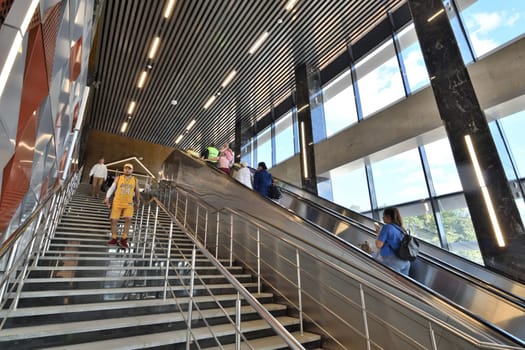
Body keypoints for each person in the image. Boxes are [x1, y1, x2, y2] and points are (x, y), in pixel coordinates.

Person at [104, 163, 140, 249]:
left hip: (128, 203)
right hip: (117, 202)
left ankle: (124, 239)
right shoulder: (118, 178)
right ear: (124, 169)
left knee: (128, 219)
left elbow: (137, 191)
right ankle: (114, 238)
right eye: (125, 168)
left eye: (129, 168)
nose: (127, 170)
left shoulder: (135, 180)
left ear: (132, 170)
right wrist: (107, 197)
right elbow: (112, 187)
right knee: (113, 220)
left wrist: (137, 202)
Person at [375, 207, 411, 275]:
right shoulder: (402, 229)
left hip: (392, 261)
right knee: (403, 285)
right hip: (406, 262)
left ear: (388, 217)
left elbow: (378, 245)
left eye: (383, 216)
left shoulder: (387, 227)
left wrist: (378, 234)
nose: (382, 218)